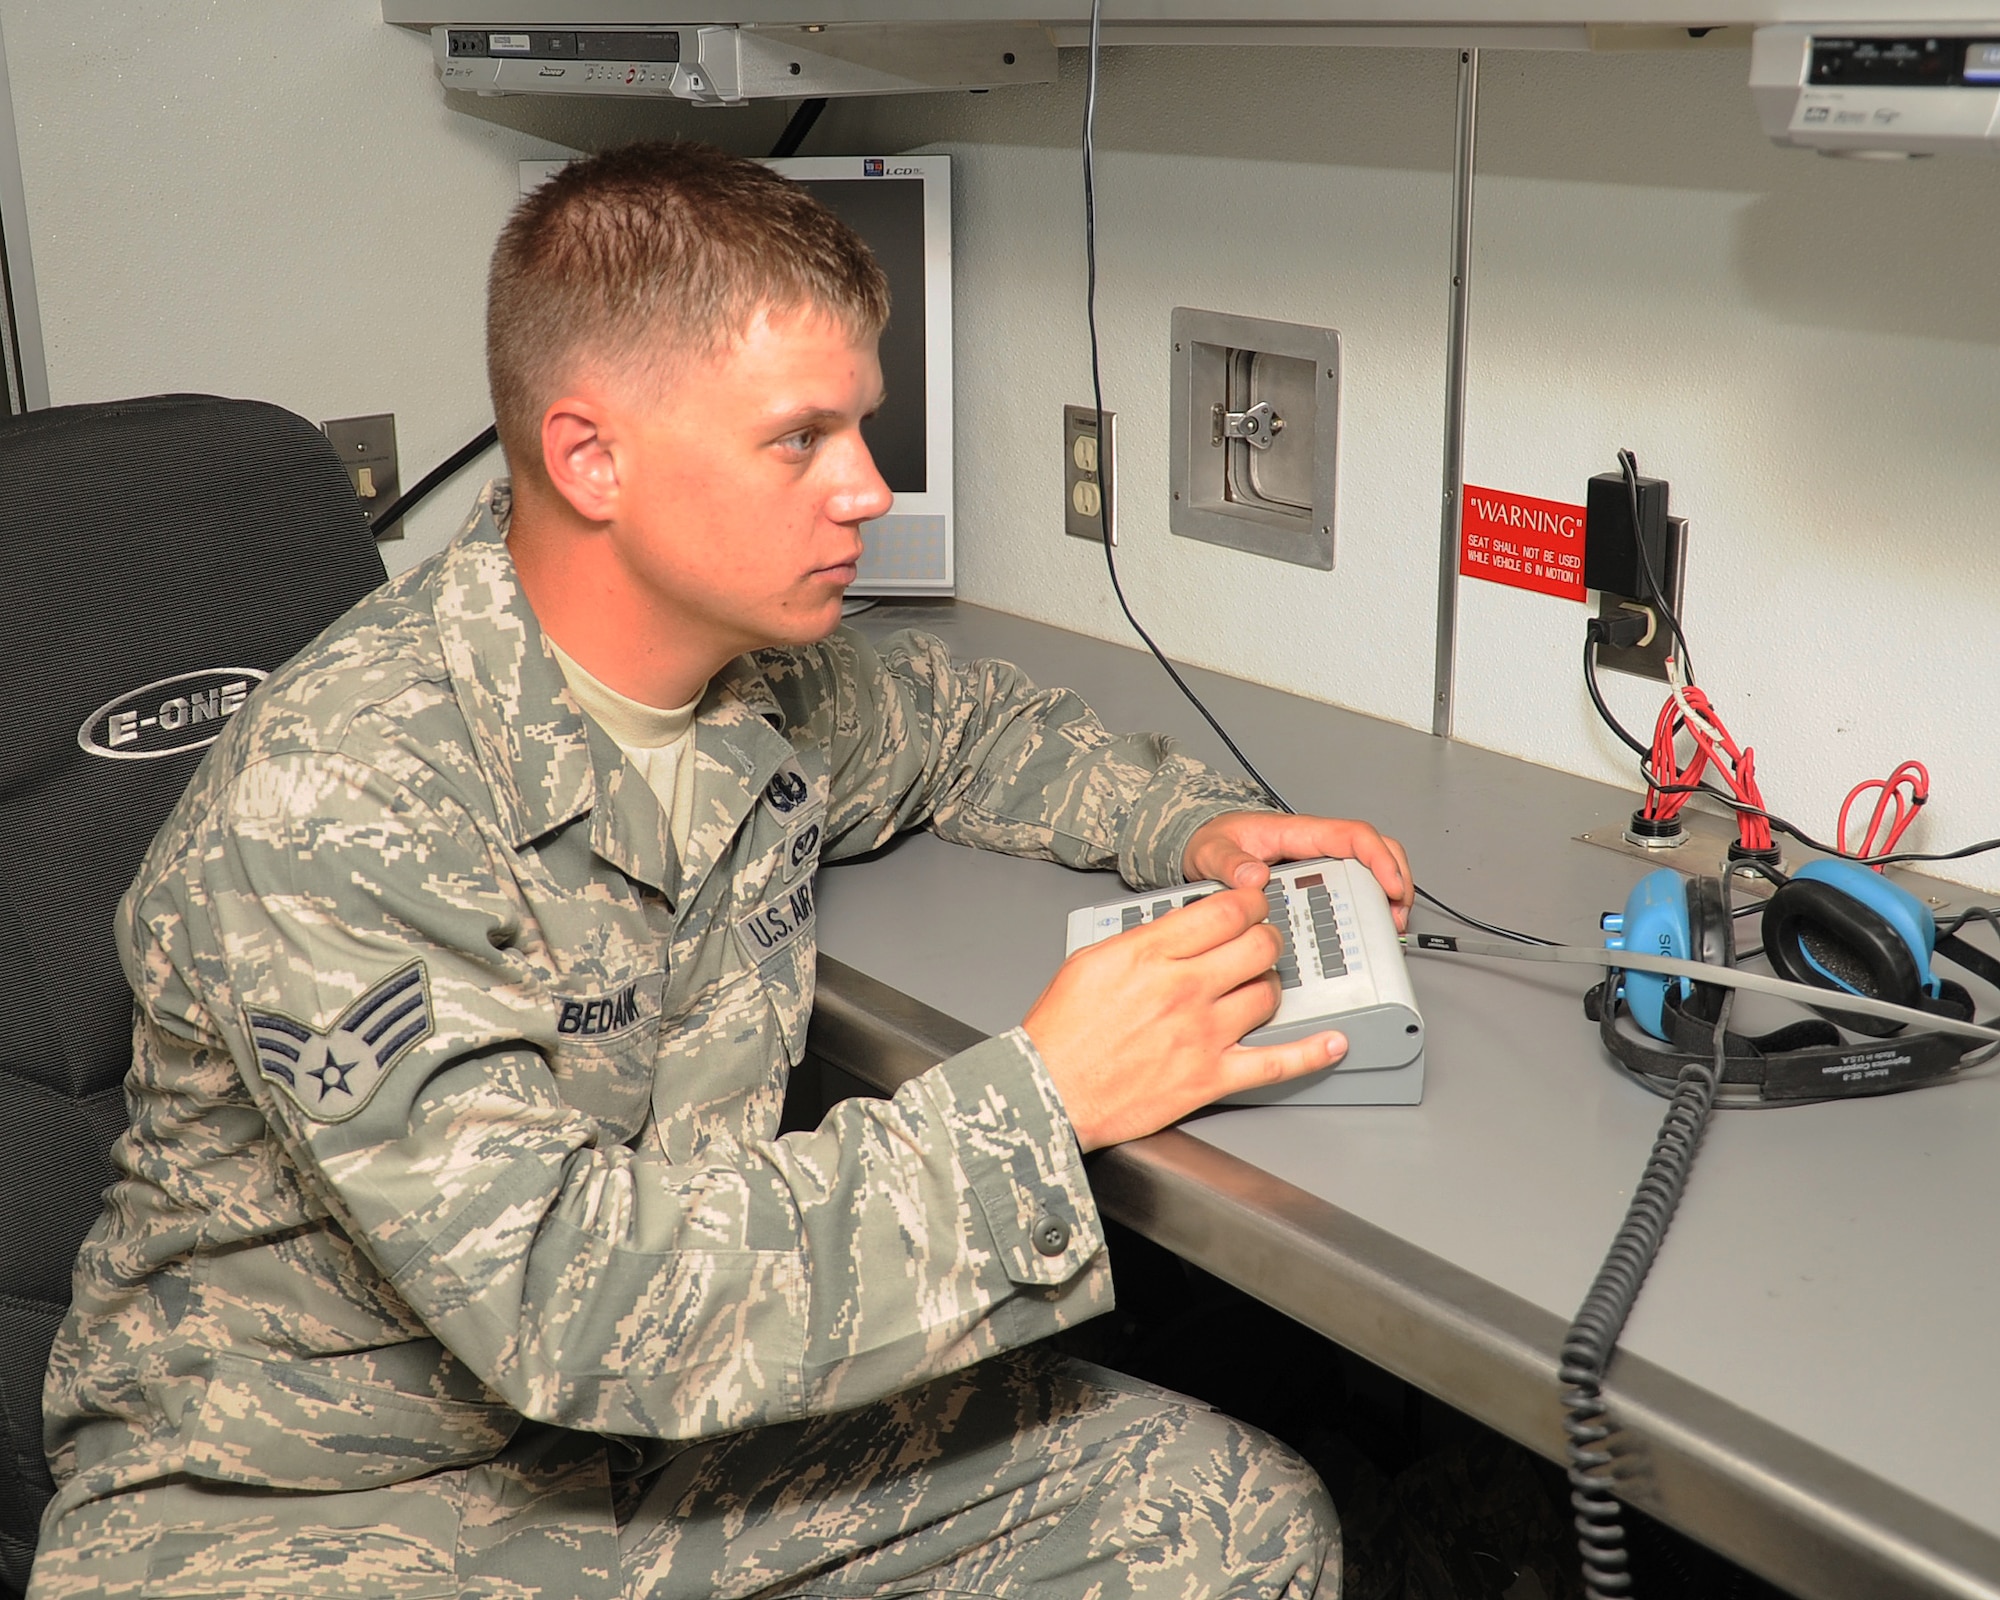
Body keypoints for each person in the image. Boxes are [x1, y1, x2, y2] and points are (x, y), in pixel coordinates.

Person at [29, 141, 1412, 1600]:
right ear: (590, 459)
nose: (867, 491)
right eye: (801, 439)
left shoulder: (756, 685)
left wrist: (1187, 826)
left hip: (645, 1450)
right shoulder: (344, 793)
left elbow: (960, 729)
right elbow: (567, 1300)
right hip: (307, 1500)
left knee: (1221, 1518)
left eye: (862, 434)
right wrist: (1046, 1101)